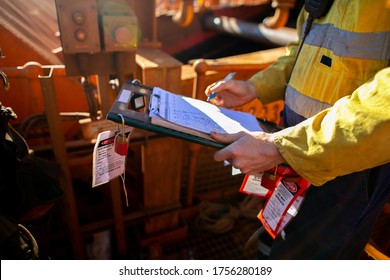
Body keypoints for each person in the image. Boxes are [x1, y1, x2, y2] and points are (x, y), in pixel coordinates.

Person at [204, 0, 390, 259]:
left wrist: (282, 147)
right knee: (278, 239)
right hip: (292, 145)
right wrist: (256, 87)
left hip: (348, 168)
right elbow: (304, 50)